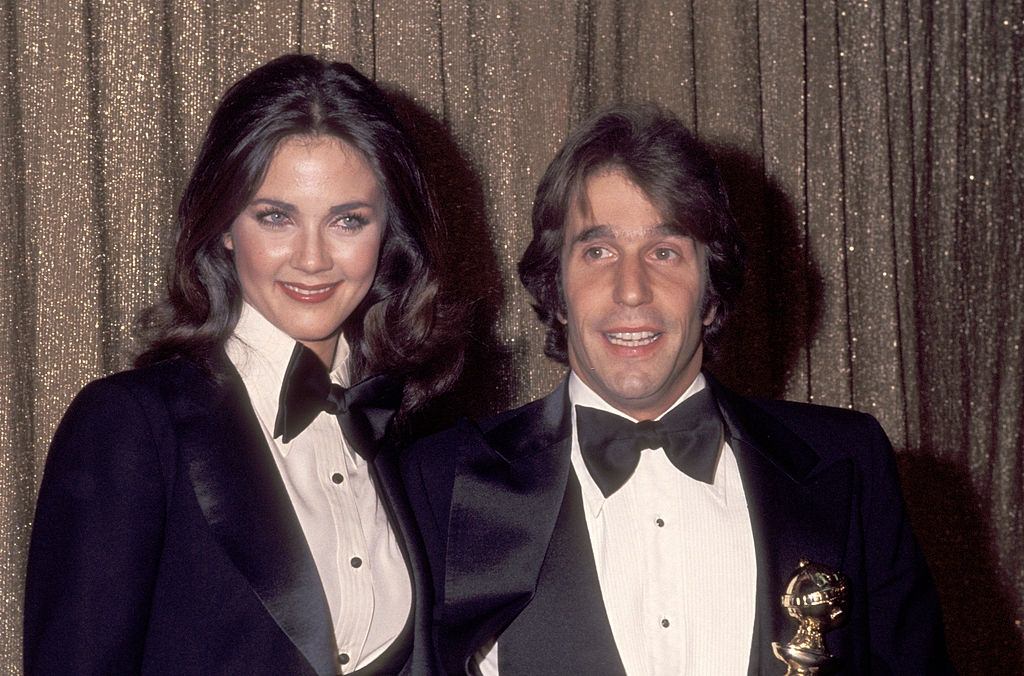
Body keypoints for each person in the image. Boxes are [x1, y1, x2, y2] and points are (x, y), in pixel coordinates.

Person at [401, 104, 953, 674]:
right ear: (556, 289)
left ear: (711, 294)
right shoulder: (442, 480)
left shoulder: (849, 462)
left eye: (664, 252)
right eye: (598, 251)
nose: (631, 290)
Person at [24, 54, 461, 675]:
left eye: (348, 220)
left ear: (389, 233)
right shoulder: (130, 427)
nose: (312, 259)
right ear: (225, 226)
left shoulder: (409, 434)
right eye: (275, 216)